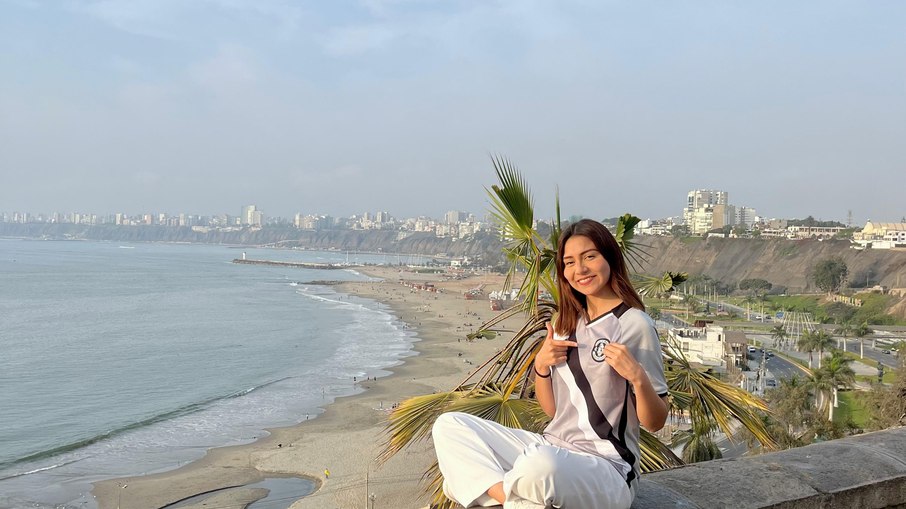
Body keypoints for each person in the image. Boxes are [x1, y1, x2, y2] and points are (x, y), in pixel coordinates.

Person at [432, 219, 669, 509]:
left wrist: (638, 378)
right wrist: (541, 367)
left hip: (608, 467)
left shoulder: (634, 324)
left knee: (537, 465)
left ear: (610, 257)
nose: (580, 269)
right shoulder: (563, 324)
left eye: (590, 256)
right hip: (553, 446)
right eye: (569, 262)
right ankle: (513, 499)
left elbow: (655, 422)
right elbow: (553, 411)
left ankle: (489, 490)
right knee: (450, 426)